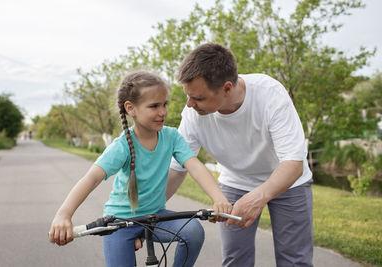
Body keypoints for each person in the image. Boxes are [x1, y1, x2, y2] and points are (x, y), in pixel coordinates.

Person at [49, 70, 232, 267]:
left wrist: (219, 199)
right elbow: (91, 178)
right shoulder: (121, 146)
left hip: (155, 217)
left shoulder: (172, 137)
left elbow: (195, 167)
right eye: (154, 106)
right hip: (119, 223)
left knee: (193, 231)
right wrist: (63, 215)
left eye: (165, 104)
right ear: (131, 108)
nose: (162, 112)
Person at [167, 43, 313, 267]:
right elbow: (177, 169)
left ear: (226, 88)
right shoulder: (193, 114)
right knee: (235, 261)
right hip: (235, 182)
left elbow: (293, 164)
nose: (189, 104)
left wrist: (257, 198)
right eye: (188, 95)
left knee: (294, 261)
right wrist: (145, 211)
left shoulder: (270, 94)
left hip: (288, 181)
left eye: (198, 97)